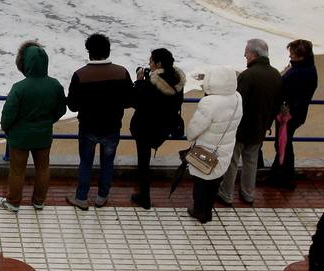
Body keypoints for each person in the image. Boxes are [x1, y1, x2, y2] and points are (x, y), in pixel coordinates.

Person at [0, 41, 67, 213]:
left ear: (25, 63)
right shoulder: (55, 85)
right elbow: (61, 110)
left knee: (17, 171)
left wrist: (8, 129)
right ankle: (38, 201)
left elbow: (8, 116)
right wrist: (47, 122)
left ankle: (13, 202)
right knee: (43, 169)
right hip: (43, 135)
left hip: (20, 137)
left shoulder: (20, 88)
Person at [65, 34, 133, 210]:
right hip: (112, 127)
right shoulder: (122, 72)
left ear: (89, 52)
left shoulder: (80, 75)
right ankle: (102, 196)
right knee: (107, 162)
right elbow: (128, 101)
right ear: (108, 51)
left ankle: (81, 197)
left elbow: (72, 106)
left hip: (88, 127)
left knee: (86, 162)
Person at [218, 38, 281, 207]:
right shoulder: (275, 74)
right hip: (260, 127)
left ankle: (226, 193)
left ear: (253, 54)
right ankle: (248, 193)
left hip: (241, 127)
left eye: (246, 52)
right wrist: (266, 123)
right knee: (251, 161)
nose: (244, 55)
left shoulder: (248, 75)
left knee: (232, 160)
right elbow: (276, 104)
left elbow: (237, 102)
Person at [128, 47, 186, 209]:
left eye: (151, 61)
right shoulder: (177, 81)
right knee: (144, 162)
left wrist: (139, 81)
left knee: (143, 164)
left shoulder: (150, 84)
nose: (149, 63)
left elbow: (136, 102)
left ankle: (144, 197)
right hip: (164, 127)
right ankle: (143, 195)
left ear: (158, 63)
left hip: (145, 128)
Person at [183, 66, 241, 224]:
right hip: (225, 149)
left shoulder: (209, 103)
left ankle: (199, 211)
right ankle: (207, 211)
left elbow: (193, 131)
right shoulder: (237, 98)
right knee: (214, 183)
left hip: (206, 150)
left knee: (201, 184)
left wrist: (190, 135)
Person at [267, 39, 318, 191]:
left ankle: (286, 178)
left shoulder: (301, 73)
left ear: (301, 56)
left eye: (293, 54)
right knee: (283, 144)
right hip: (292, 114)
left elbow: (292, 93)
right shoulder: (306, 68)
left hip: (289, 115)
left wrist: (286, 107)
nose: (290, 56)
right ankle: (277, 174)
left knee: (283, 145)